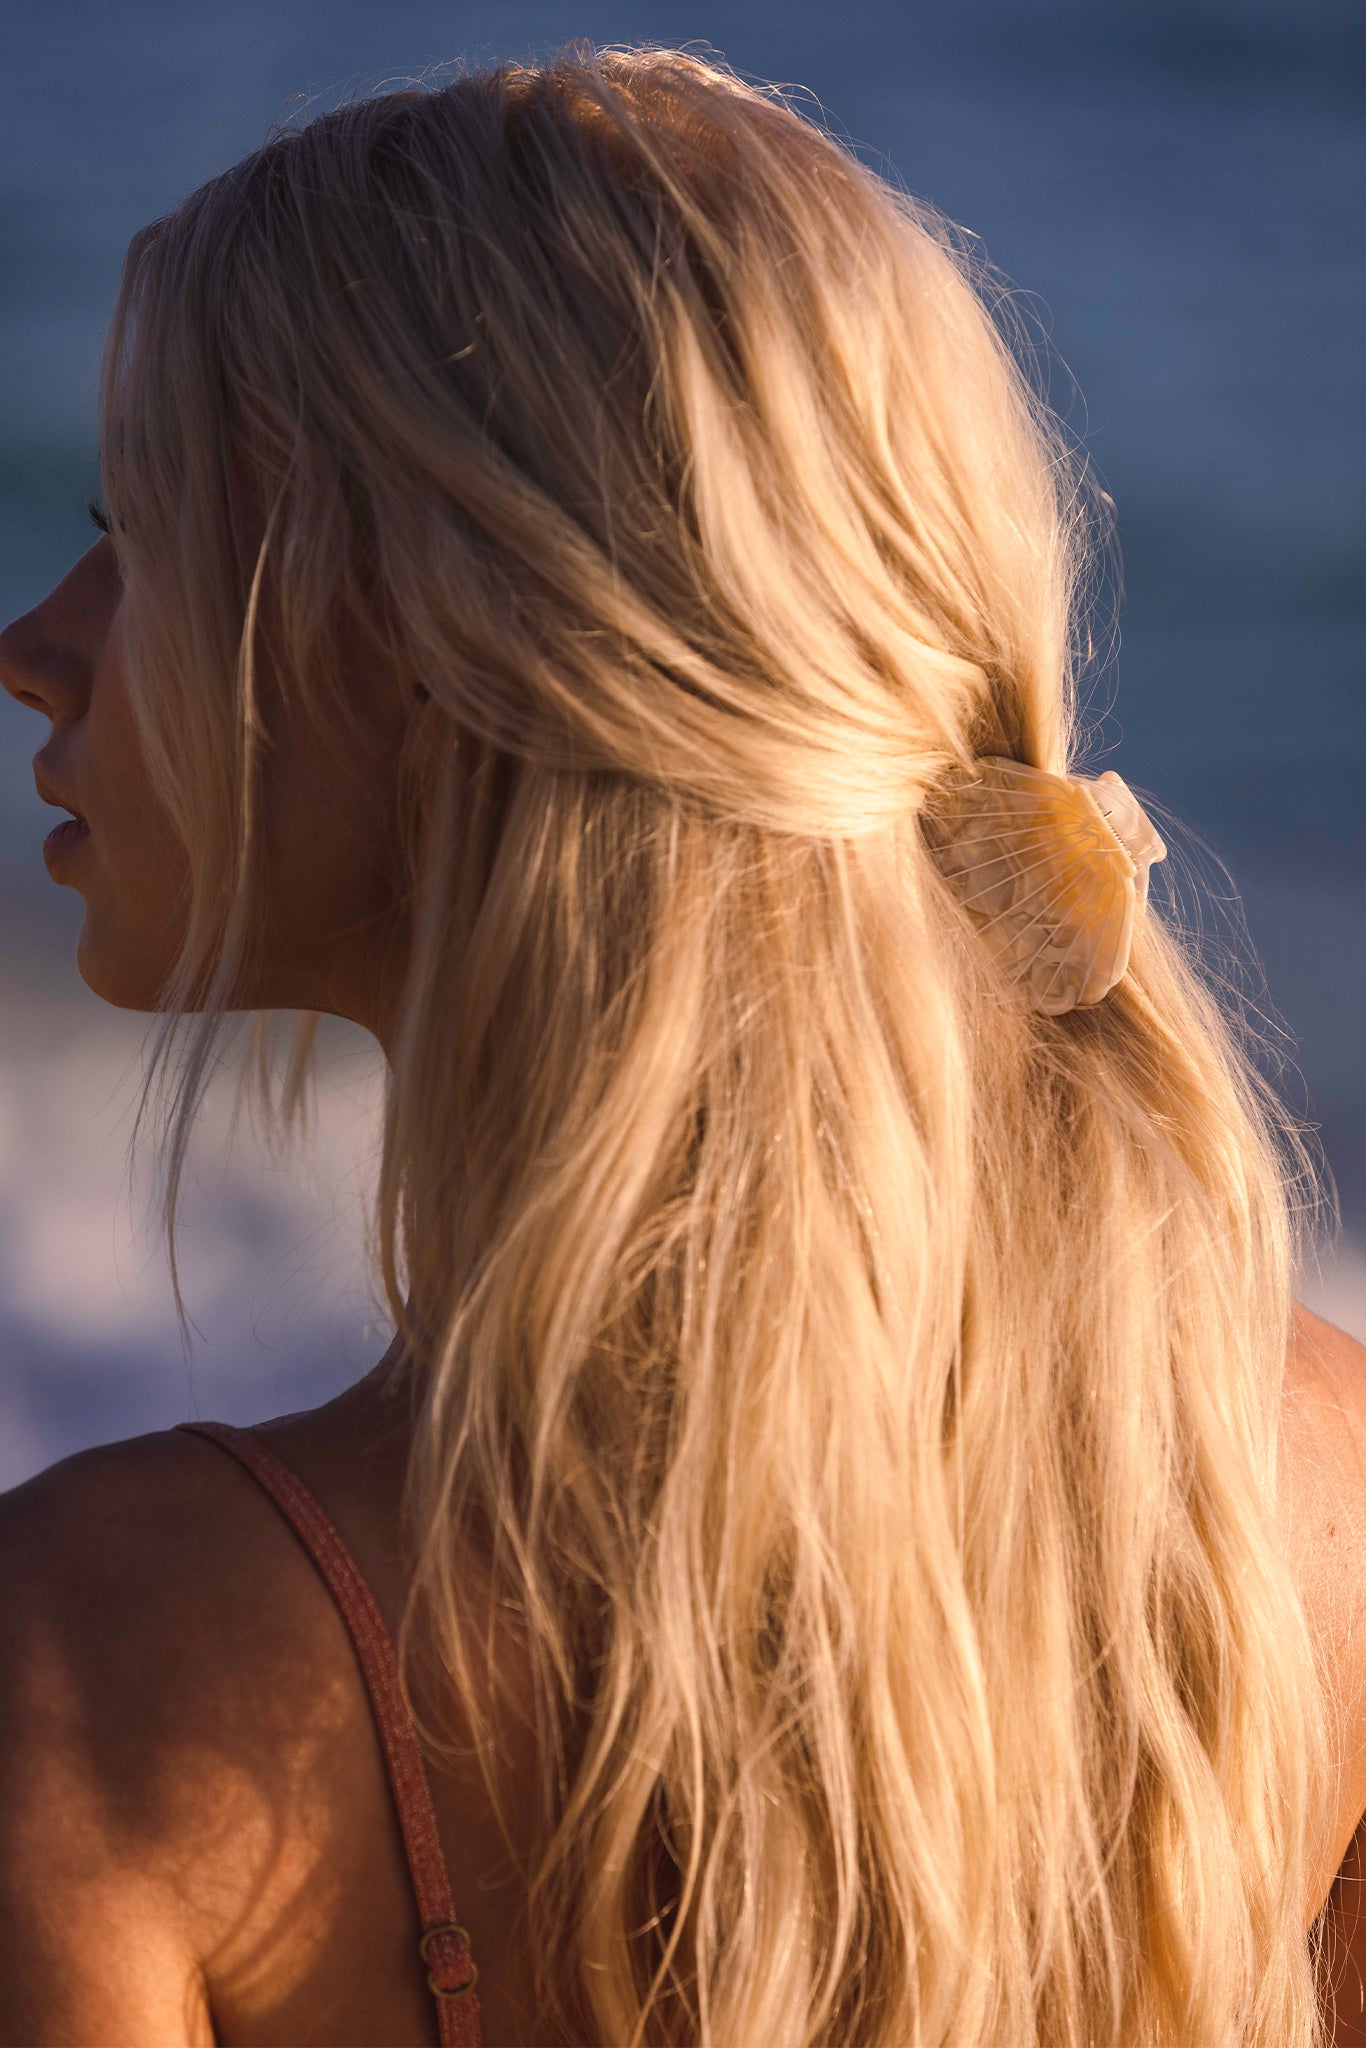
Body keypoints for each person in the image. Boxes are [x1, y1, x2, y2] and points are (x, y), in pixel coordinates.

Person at [0, 41, 1363, 2048]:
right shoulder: (1301, 1503)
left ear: (451, 668)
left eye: (145, 537)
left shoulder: (106, 1662)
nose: (37, 635)